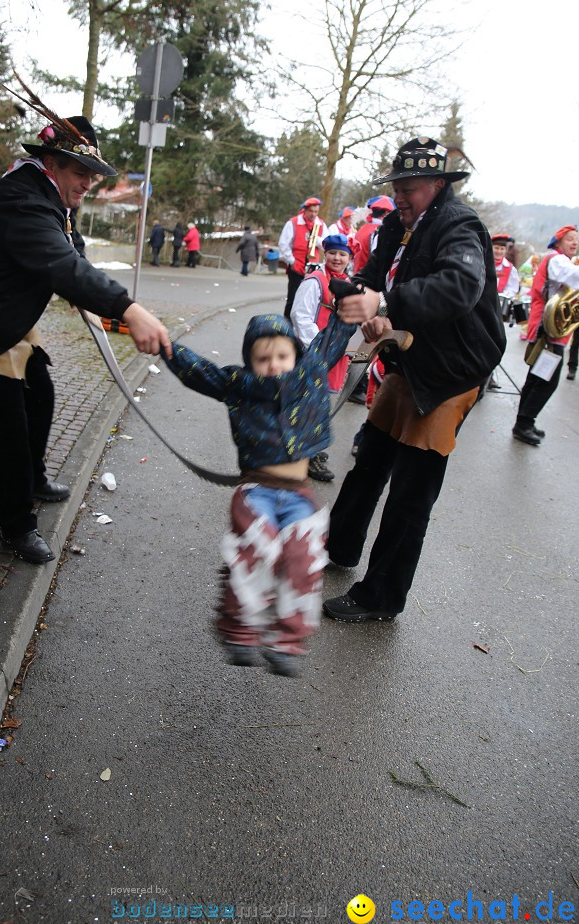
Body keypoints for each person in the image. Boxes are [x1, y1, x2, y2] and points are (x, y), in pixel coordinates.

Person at [0, 112, 171, 564]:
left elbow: (70, 248)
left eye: (92, 175)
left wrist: (92, 297)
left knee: (40, 392)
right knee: (8, 423)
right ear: (52, 162)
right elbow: (61, 266)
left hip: (9, 310)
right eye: (80, 172)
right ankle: (16, 522)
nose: (87, 183)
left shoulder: (51, 195)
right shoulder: (25, 200)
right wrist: (129, 309)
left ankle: (34, 478)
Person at [322, 137, 505, 623]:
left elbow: (459, 287)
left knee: (410, 493)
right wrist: (352, 291)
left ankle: (380, 597)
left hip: (450, 374)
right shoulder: (392, 226)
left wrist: (384, 305)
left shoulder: (459, 226)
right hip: (408, 361)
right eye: (397, 187)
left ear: (439, 185)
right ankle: (338, 547)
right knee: (369, 463)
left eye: (412, 188)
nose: (401, 196)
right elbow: (373, 276)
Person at [161, 309, 355, 677]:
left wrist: (352, 309)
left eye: (282, 356)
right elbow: (198, 371)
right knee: (256, 546)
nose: (273, 365)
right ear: (250, 361)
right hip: (256, 491)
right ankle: (239, 628)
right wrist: (163, 345)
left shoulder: (309, 372)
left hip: (298, 494)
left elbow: (333, 339)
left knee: (302, 556)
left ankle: (287, 639)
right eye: (262, 359)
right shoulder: (239, 384)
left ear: (295, 354)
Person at [291, 233, 355, 483]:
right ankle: (307, 455)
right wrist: (317, 348)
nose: (337, 258)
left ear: (349, 258)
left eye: (342, 254)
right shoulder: (315, 281)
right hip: (314, 352)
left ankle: (309, 449)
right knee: (312, 404)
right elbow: (300, 316)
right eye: (333, 253)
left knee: (321, 402)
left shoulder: (348, 281)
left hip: (334, 355)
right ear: (324, 254)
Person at [512, 224, 579, 445]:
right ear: (557, 242)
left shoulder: (561, 260)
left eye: (576, 239)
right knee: (546, 379)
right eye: (570, 239)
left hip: (550, 330)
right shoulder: (557, 259)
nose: (575, 243)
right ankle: (524, 423)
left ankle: (524, 422)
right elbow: (573, 278)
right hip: (548, 331)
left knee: (537, 377)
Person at [278, 197, 328, 318]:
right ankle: (286, 326)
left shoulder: (320, 224)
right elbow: (283, 244)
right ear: (305, 210)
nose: (313, 214)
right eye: (311, 211)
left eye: (316, 212)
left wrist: (317, 240)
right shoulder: (293, 222)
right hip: (296, 265)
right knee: (292, 298)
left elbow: (327, 244)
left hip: (312, 267)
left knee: (308, 299)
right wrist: (292, 261)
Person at [487, 232, 520, 390]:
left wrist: (505, 295)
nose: (499, 251)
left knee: (494, 342)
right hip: (482, 307)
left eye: (502, 249)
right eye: (496, 248)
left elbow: (513, 289)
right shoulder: (484, 261)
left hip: (498, 311)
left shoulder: (510, 269)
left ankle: (490, 375)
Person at [351, 195, 396, 274]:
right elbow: (379, 261)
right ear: (386, 213)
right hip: (367, 280)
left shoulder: (363, 228)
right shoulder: (380, 231)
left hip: (356, 276)